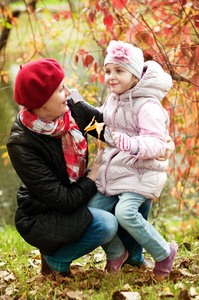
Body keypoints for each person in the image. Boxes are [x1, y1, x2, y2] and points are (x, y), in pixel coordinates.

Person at [6, 58, 153, 279]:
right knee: (106, 224)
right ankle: (55, 260)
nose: (68, 92)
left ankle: (132, 258)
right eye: (59, 89)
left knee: (137, 183)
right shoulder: (22, 145)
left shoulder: (73, 112)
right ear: (41, 102)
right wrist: (93, 175)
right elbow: (64, 200)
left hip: (76, 190)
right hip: (45, 214)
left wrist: (151, 139)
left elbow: (111, 131)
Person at [87, 40, 177, 278]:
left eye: (119, 71)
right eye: (108, 71)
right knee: (91, 211)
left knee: (125, 213)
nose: (111, 77)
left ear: (135, 75)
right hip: (115, 170)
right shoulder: (113, 98)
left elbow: (158, 143)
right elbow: (105, 129)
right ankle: (117, 252)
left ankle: (163, 252)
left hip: (140, 171)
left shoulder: (147, 105)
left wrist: (133, 144)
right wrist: (80, 114)